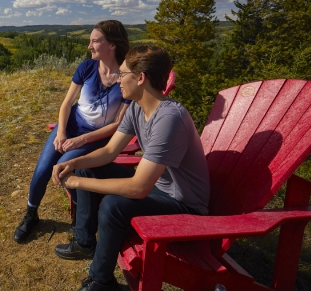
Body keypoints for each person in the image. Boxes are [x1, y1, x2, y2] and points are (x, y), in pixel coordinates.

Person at [51, 45, 210, 291]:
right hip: (158, 187)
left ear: (141, 78)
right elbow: (108, 152)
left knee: (114, 205)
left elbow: (137, 188)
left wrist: (75, 182)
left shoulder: (169, 118)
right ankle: (84, 241)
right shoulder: (137, 107)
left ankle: (101, 281)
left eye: (123, 74)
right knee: (87, 170)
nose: (117, 79)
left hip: (185, 204)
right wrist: (72, 163)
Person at [14, 20, 131, 243]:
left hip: (94, 137)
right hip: (70, 126)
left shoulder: (125, 77)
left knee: (65, 169)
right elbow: (67, 104)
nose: (90, 46)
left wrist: (81, 140)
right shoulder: (87, 67)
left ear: (112, 45)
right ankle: (31, 214)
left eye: (95, 41)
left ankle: (81, 219)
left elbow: (117, 123)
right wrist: (61, 133)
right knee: (42, 169)